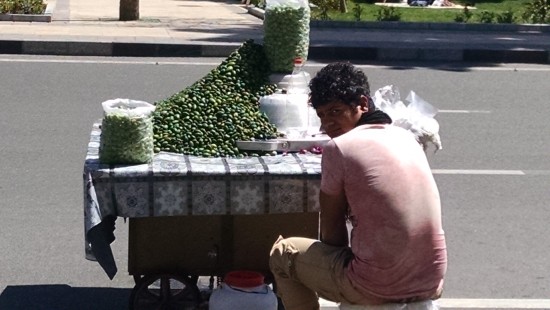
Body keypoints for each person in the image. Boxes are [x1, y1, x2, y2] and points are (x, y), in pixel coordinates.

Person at [269, 62, 447, 310]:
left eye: (335, 112)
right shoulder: (407, 137)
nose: (326, 125)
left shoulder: (339, 148)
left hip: (376, 286)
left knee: (282, 254)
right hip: (431, 279)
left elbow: (332, 233)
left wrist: (332, 267)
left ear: (363, 104)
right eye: (321, 115)